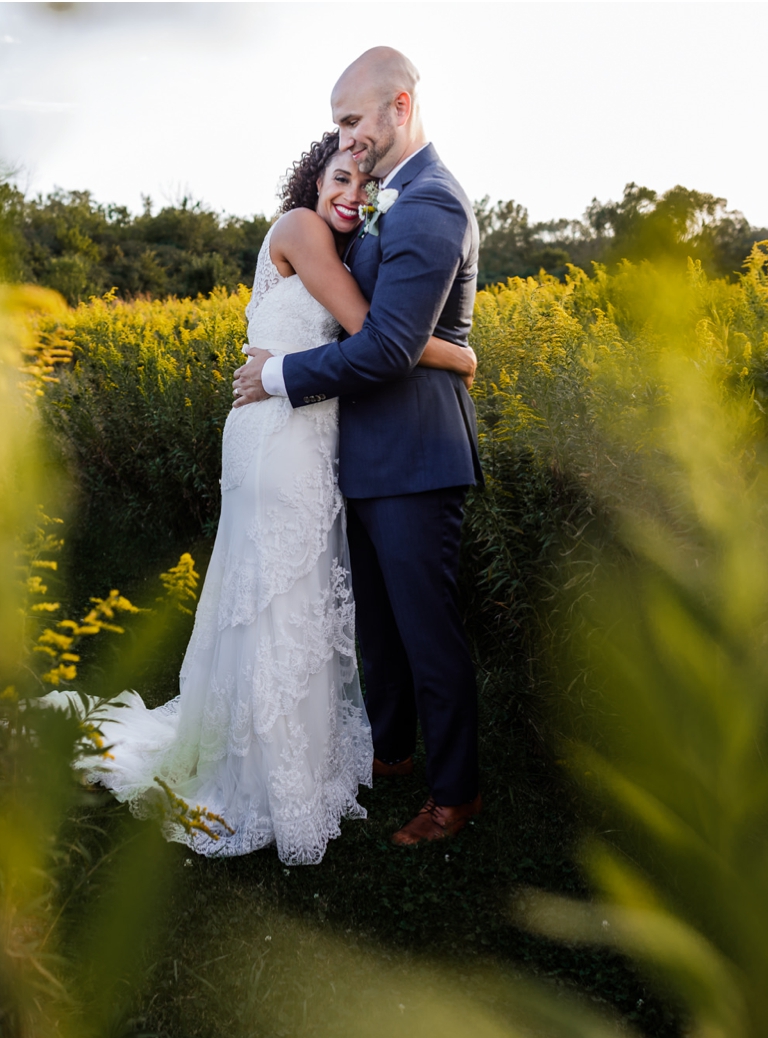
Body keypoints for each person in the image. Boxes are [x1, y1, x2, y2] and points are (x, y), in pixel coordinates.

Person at [77, 129, 476, 865]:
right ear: (311, 179)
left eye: (364, 183)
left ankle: (291, 751)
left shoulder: (345, 244)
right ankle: (267, 766)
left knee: (288, 593)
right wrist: (460, 352)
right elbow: (374, 333)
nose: (352, 194)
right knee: (276, 593)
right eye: (339, 178)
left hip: (302, 432)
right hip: (281, 434)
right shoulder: (300, 229)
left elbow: (370, 334)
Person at [234, 46, 484, 847]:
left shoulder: (430, 205)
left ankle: (455, 794)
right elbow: (374, 322)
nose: (345, 139)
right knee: (380, 627)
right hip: (360, 451)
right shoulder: (385, 201)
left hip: (415, 454)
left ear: (398, 107)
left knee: (427, 630)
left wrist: (277, 376)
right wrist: (456, 352)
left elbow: (383, 349)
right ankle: (394, 752)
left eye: (351, 120)